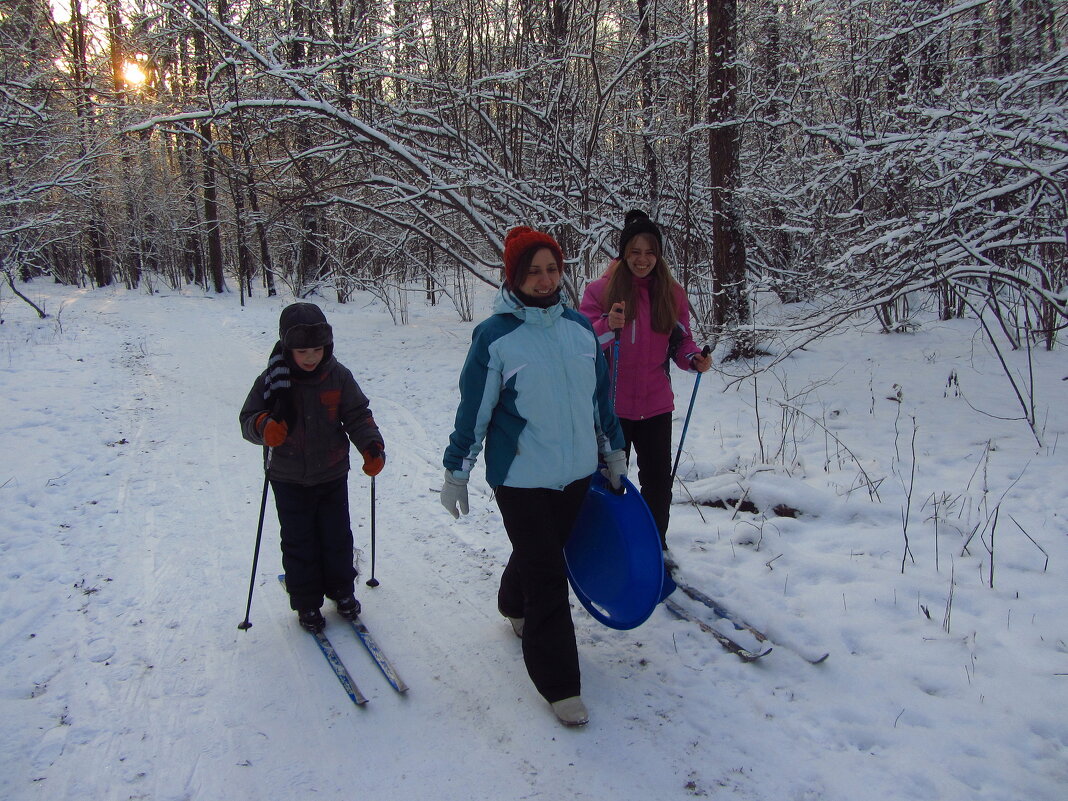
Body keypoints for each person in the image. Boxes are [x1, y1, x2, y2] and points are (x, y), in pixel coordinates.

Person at [440, 226, 627, 727]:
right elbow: (474, 409)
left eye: (552, 269)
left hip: (574, 476)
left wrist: (613, 453)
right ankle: (561, 684)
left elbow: (599, 402)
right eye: (533, 271)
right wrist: (457, 470)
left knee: (540, 555)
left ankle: (509, 601)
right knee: (549, 578)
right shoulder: (496, 336)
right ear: (514, 276)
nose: (545, 281)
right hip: (520, 478)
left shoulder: (580, 330)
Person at [240, 302, 386, 634]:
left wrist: (371, 446)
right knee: (298, 541)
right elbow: (247, 419)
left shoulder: (338, 376)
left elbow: (359, 415)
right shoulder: (270, 380)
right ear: (287, 348)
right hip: (288, 477)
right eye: (302, 350)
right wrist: (264, 426)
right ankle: (306, 601)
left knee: (337, 537)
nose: (310, 357)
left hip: (332, 473)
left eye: (317, 349)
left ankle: (341, 590)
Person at [580, 210, 711, 553]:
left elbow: (681, 341)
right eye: (635, 251)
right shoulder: (600, 291)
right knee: (609, 479)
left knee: (657, 485)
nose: (642, 259)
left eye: (650, 251)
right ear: (624, 253)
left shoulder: (672, 293)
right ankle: (606, 545)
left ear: (659, 254)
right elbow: (581, 343)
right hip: (612, 409)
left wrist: (693, 359)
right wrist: (608, 324)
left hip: (655, 406)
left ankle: (655, 547)